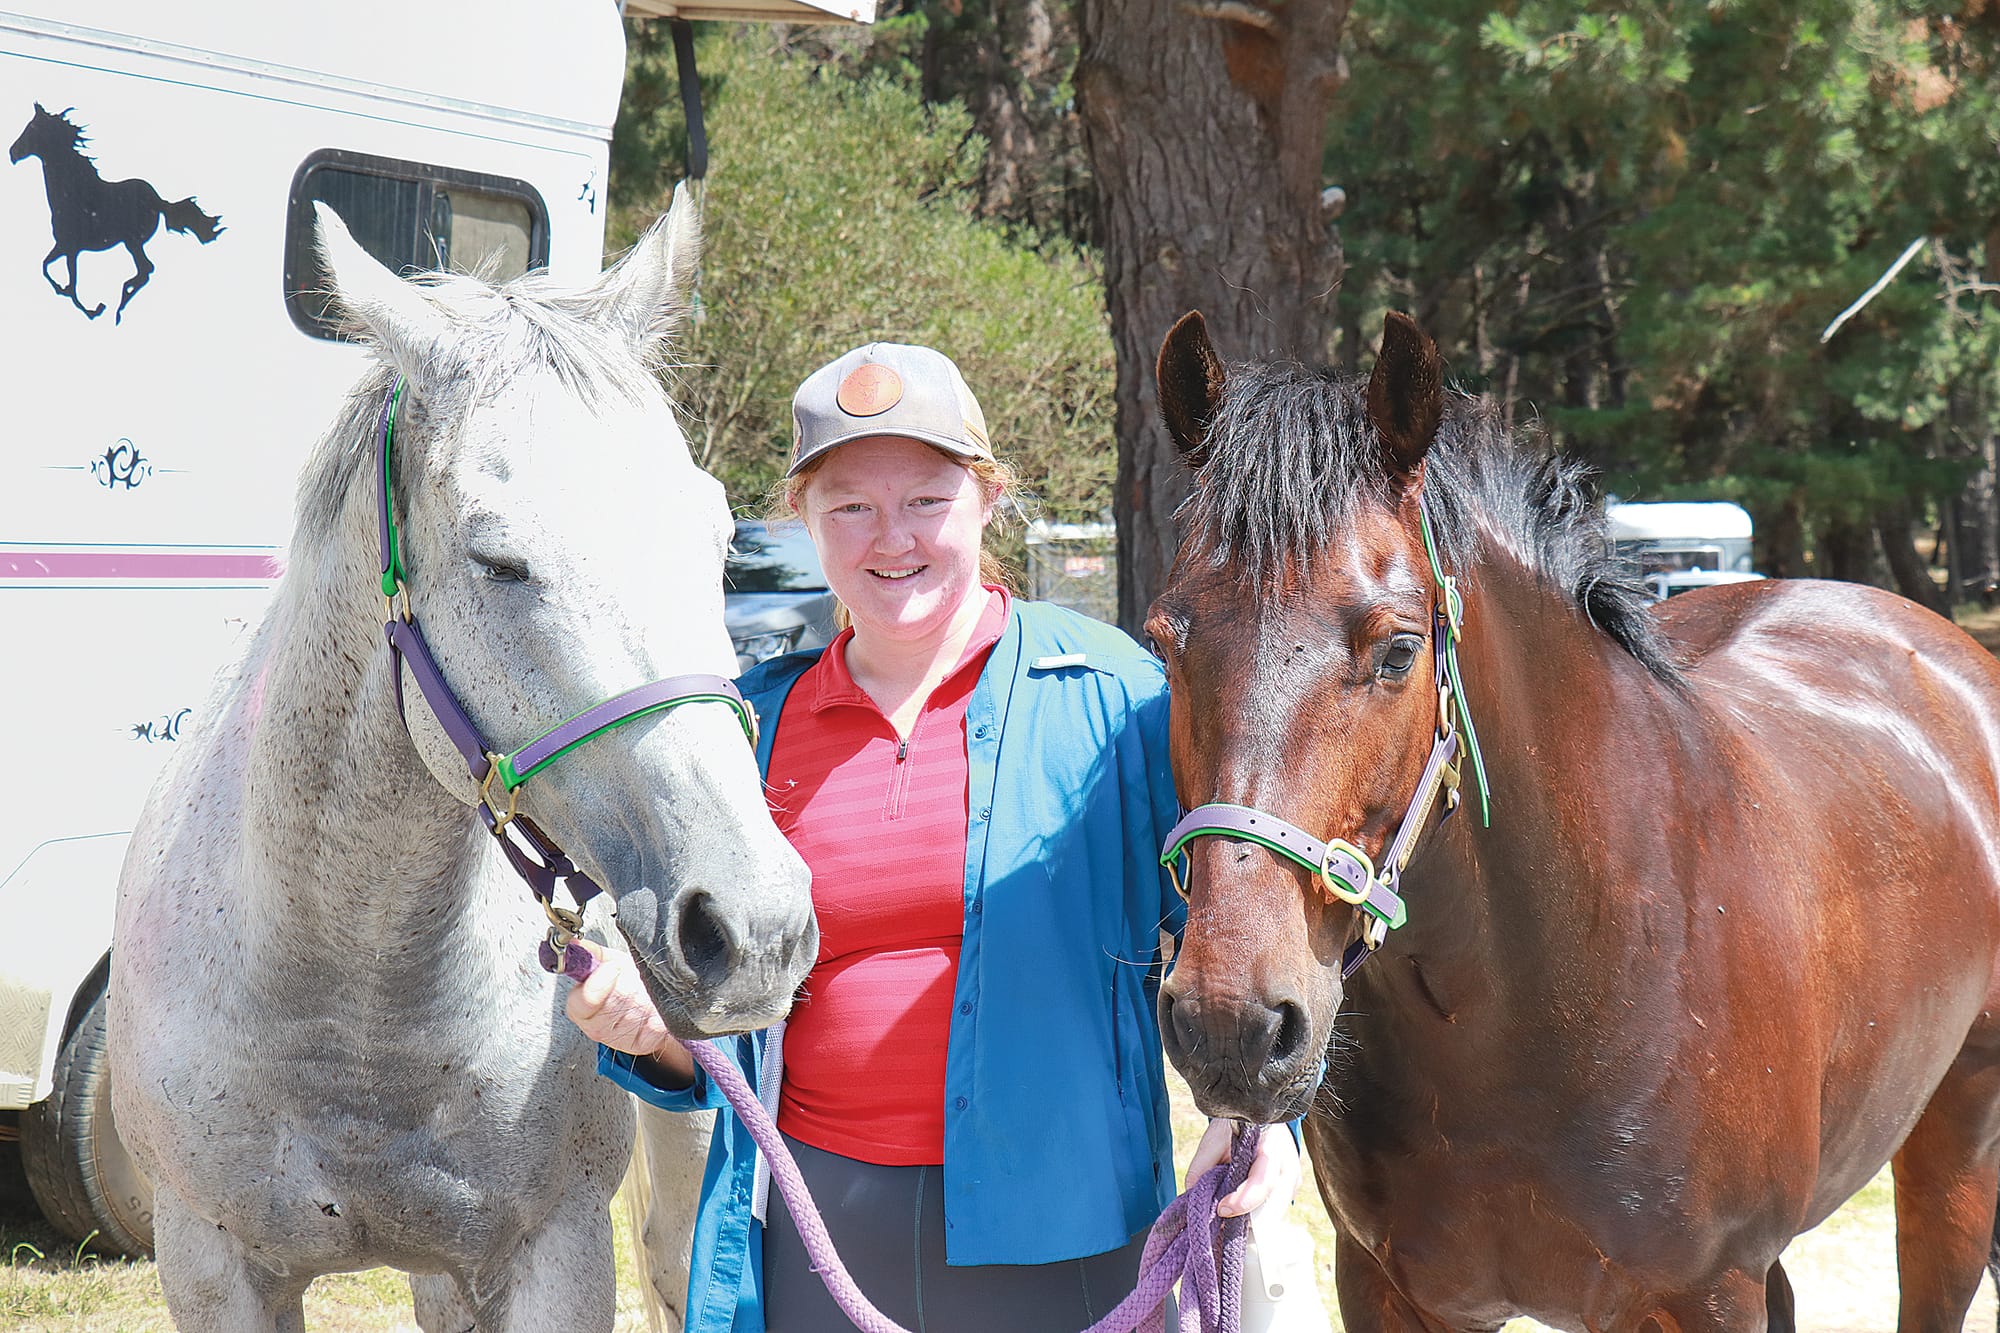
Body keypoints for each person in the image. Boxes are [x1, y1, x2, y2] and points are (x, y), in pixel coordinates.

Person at [564, 342, 1300, 1333]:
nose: (890, 537)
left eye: (924, 499)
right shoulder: (751, 728)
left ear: (986, 499)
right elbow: (728, 1015)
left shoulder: (1115, 696)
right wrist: (658, 1036)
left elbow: (1241, 927)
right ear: (806, 524)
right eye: (850, 506)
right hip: (816, 1242)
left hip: (1067, 1244)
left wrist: (1256, 1115)